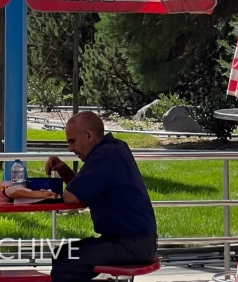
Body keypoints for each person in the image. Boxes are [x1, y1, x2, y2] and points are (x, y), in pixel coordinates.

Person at [45, 111, 157, 282]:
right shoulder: (114, 147)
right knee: (62, 254)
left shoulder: (104, 155)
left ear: (89, 135)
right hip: (131, 242)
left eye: (72, 141)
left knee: (67, 266)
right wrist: (62, 168)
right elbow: (82, 192)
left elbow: (70, 197)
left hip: (132, 245)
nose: (70, 148)